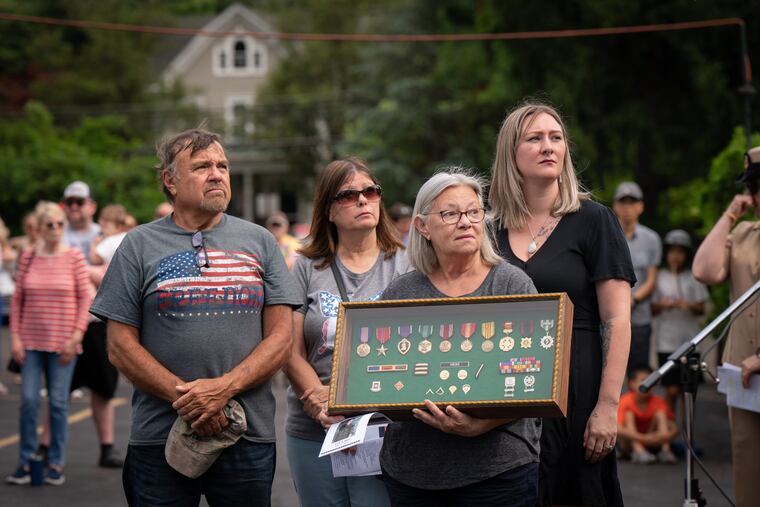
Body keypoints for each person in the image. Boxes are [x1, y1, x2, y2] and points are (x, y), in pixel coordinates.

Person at [89, 128, 300, 505]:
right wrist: (190, 399)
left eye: (222, 165)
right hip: (159, 436)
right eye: (202, 166)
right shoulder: (138, 244)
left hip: (246, 434)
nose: (217, 174)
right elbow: (120, 346)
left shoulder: (261, 241)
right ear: (170, 180)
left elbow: (281, 338)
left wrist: (224, 389)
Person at [489, 102, 635, 506]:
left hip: (579, 385)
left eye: (556, 138)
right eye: (534, 138)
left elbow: (617, 320)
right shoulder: (488, 229)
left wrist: (608, 406)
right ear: (510, 154)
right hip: (508, 387)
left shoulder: (594, 219)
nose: (548, 146)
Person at [378, 170, 540, 506]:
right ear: (422, 226)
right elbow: (379, 374)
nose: (465, 222)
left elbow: (535, 380)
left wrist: (481, 424)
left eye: (474, 211)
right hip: (412, 475)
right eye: (450, 214)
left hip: (497, 473)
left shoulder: (512, 286)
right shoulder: (401, 292)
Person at [283, 157, 408, 507]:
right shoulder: (306, 266)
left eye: (370, 191)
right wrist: (315, 398)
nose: (363, 200)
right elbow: (289, 350)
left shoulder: (407, 263)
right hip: (314, 430)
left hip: (384, 429)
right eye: (348, 195)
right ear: (328, 211)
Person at [5, 202, 93, 486]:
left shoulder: (75, 258)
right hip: (30, 342)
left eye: (59, 224)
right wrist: (15, 338)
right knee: (28, 401)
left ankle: (55, 463)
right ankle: (27, 462)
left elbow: (85, 299)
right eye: (49, 225)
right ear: (39, 229)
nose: (55, 229)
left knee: (57, 404)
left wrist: (77, 335)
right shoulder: (28, 257)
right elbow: (18, 301)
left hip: (64, 344)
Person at [692, 146, 760, 507]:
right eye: (753, 186)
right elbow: (705, 270)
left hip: (756, 364)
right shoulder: (746, 233)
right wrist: (731, 215)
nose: (757, 194)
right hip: (745, 374)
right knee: (748, 465)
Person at [58, 181, 123, 468]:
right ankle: (48, 447)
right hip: (63, 321)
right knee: (59, 389)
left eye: (79, 202)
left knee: (102, 388)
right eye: (69, 202)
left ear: (91, 206)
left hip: (96, 321)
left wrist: (80, 270)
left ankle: (106, 446)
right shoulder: (56, 231)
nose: (74, 207)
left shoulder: (105, 237)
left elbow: (112, 276)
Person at [651, 229, 708, 410]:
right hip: (665, 342)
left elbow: (701, 309)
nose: (676, 256)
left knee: (689, 392)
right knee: (671, 391)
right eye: (672, 251)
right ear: (666, 253)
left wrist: (688, 305)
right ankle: (668, 433)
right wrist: (663, 305)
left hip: (690, 342)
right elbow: (651, 308)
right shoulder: (658, 277)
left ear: (686, 254)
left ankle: (687, 433)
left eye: (680, 251)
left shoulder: (694, 277)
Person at [612, 181, 662, 373]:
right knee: (609, 373)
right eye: (623, 202)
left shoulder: (652, 239)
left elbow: (651, 279)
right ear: (615, 206)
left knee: (639, 372)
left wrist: (633, 300)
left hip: (639, 318)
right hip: (608, 317)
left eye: (632, 202)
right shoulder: (606, 235)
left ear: (640, 206)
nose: (627, 208)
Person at [616, 365, 678, 464]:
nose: (648, 384)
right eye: (643, 380)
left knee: (660, 414)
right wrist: (643, 438)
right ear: (631, 383)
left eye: (651, 381)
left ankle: (665, 451)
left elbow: (673, 427)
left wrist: (663, 436)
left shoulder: (658, 401)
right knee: (629, 414)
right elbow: (617, 428)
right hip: (629, 444)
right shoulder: (625, 400)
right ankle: (638, 451)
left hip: (652, 440)